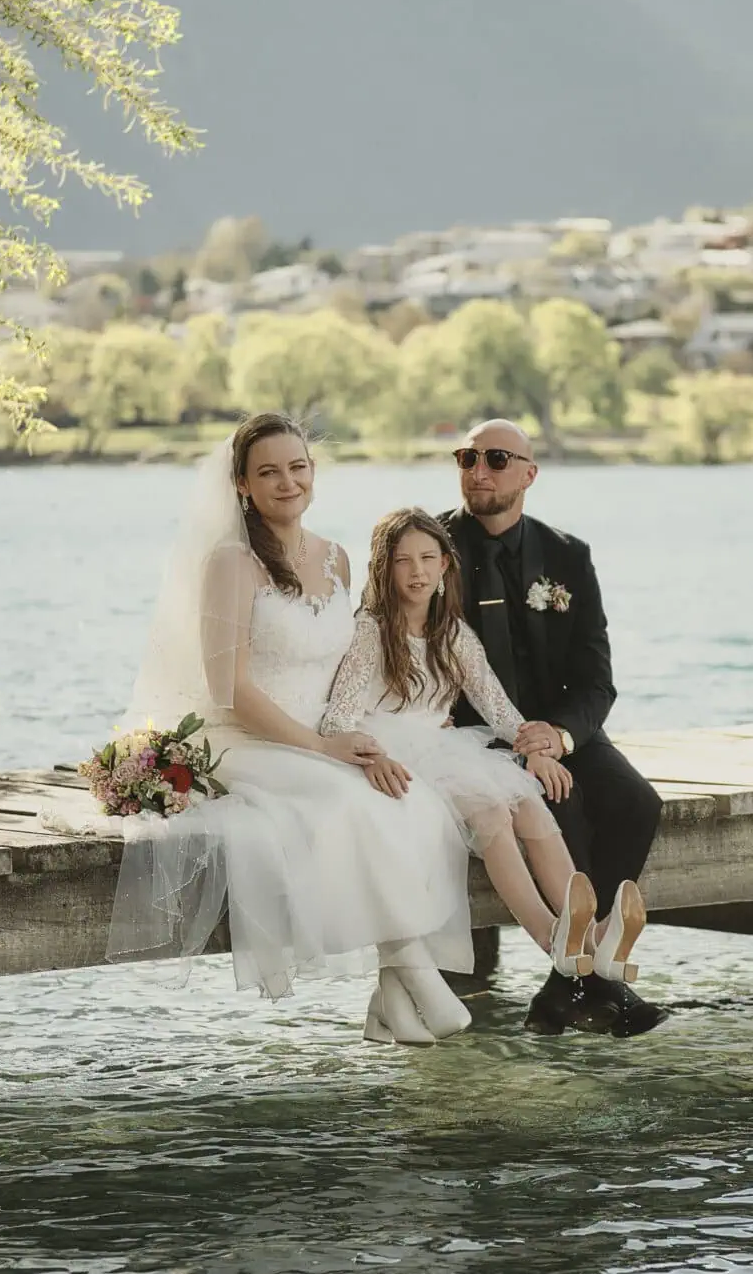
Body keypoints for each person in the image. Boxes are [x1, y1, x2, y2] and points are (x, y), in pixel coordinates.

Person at [107, 413, 476, 1045]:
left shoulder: (335, 557)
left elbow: (357, 664)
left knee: (409, 798)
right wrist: (324, 749)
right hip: (244, 739)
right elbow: (232, 692)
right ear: (243, 485)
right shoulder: (231, 563)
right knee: (341, 798)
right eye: (269, 472)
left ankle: (389, 999)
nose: (287, 482)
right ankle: (413, 970)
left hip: (326, 730)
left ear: (313, 473)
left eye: (298, 467)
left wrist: (369, 734)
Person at [321, 509, 649, 991]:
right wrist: (375, 758)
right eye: (403, 561)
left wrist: (536, 749)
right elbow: (337, 720)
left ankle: (593, 931)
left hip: (444, 747)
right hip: (394, 756)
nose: (417, 572)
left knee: (529, 804)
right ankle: (550, 936)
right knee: (492, 810)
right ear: (384, 570)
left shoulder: (453, 633)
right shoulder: (370, 630)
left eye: (428, 558)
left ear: (445, 568)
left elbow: (498, 708)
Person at [441, 420, 669, 1037]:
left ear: (529, 474)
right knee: (561, 808)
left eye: (493, 458)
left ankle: (564, 990)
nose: (477, 470)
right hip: (475, 739)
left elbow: (597, 680)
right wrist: (520, 740)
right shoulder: (431, 549)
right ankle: (594, 987)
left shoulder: (568, 556)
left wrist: (561, 736)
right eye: (466, 457)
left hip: (563, 733)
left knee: (635, 803)